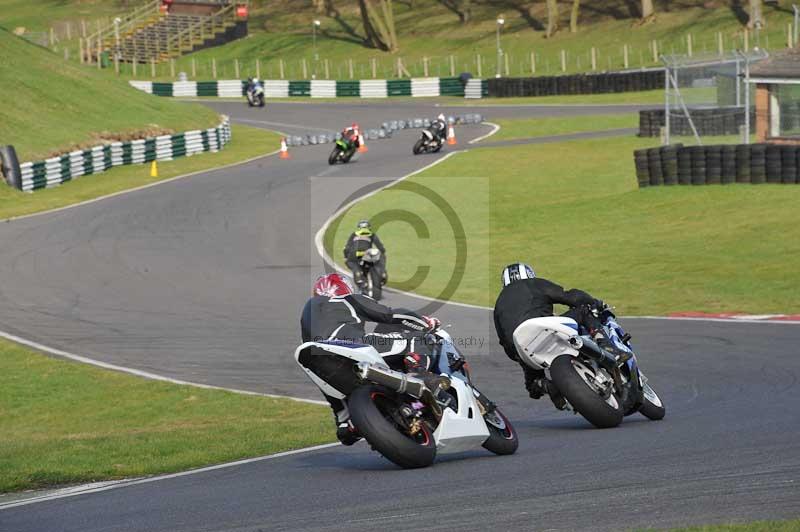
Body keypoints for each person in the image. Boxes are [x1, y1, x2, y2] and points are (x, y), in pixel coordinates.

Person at [300, 273, 438, 445]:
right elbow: (390, 315)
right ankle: (418, 372)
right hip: (353, 345)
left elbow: (324, 384)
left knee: (341, 417)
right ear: (344, 288)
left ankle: (347, 423)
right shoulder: (347, 299)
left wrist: (343, 418)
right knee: (421, 339)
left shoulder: (308, 320)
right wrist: (425, 322)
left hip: (325, 368)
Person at [492, 263, 629, 404]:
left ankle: (546, 386)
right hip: (544, 329)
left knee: (532, 385)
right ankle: (606, 346)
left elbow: (503, 341)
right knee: (584, 310)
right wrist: (593, 302)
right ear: (529, 274)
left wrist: (520, 358)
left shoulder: (498, 304)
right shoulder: (533, 283)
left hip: (521, 345)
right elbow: (569, 296)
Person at [343, 219, 387, 290]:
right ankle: (383, 273)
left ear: (359, 227)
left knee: (353, 264)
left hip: (355, 255)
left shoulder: (354, 234)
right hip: (368, 254)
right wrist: (382, 252)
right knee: (380, 258)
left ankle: (359, 278)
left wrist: (345, 256)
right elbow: (381, 247)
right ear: (369, 227)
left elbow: (347, 247)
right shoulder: (372, 235)